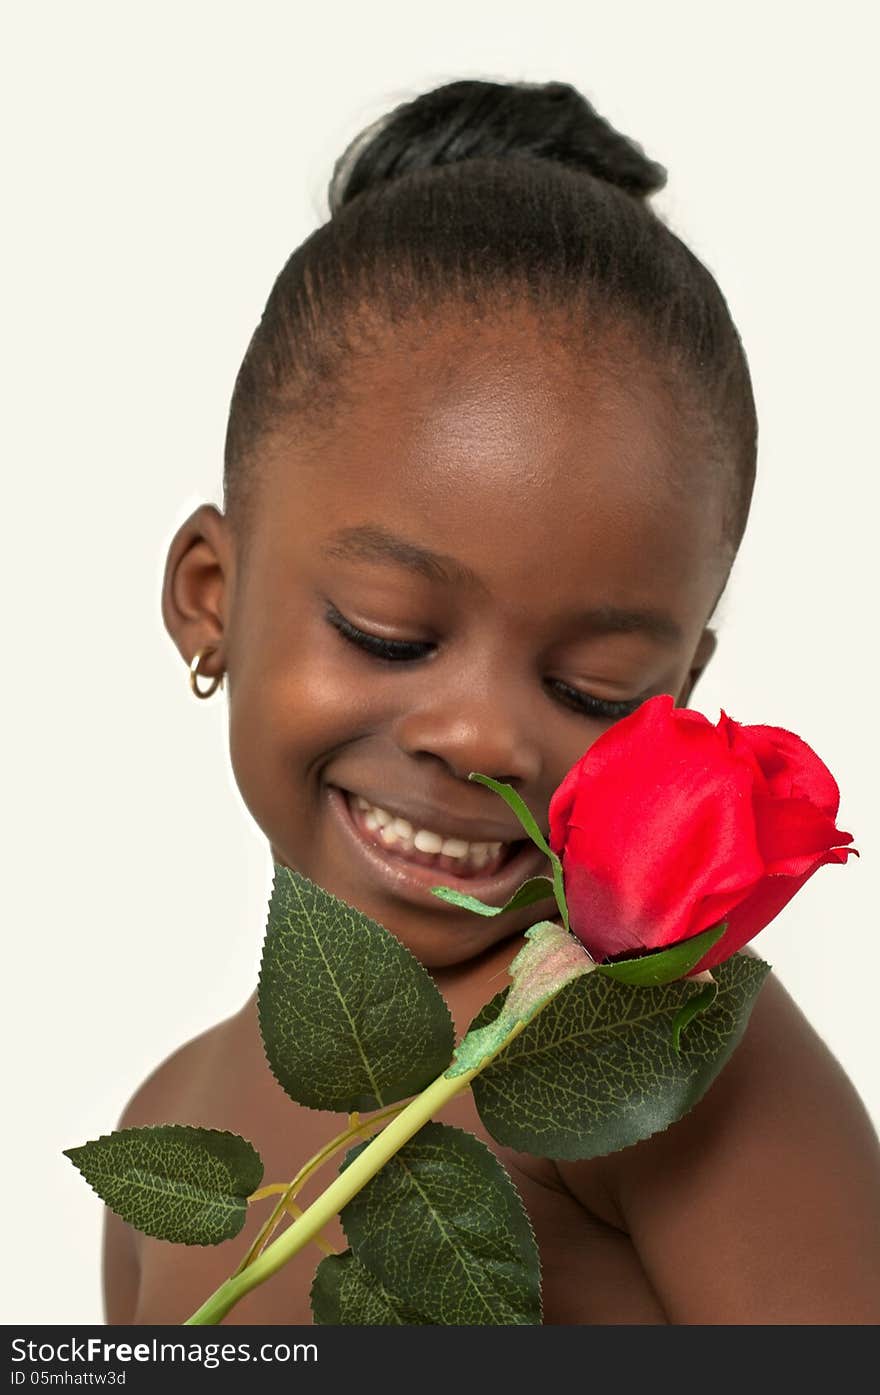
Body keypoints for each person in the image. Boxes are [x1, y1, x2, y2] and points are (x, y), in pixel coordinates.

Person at [103, 78, 880, 1325]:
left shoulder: (653, 1061)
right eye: (388, 634)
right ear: (209, 594)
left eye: (591, 688)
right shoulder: (165, 1124)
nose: (480, 736)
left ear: (676, 706)